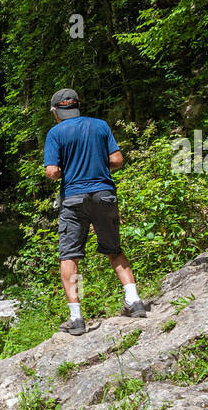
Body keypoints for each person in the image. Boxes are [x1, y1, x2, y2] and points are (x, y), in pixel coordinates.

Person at [44, 88, 146, 335]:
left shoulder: (56, 133)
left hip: (74, 200)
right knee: (114, 250)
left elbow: (52, 172)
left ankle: (76, 319)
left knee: (70, 256)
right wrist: (98, 162)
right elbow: (118, 160)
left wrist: (64, 168)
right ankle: (134, 301)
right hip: (104, 194)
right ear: (77, 106)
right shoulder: (100, 126)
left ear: (56, 111)